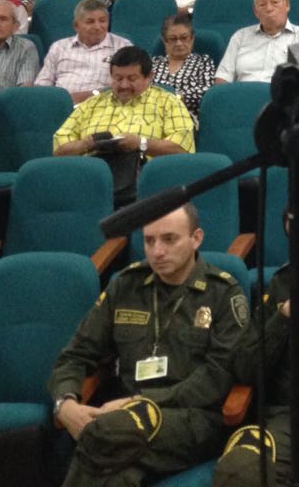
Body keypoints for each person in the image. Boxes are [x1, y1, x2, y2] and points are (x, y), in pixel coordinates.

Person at [48, 203, 246, 485]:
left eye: (169, 239)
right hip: (125, 422)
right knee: (119, 474)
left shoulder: (222, 293)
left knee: (106, 437)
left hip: (193, 420)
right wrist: (65, 405)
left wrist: (141, 402)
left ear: (196, 238)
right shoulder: (126, 285)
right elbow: (75, 355)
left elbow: (217, 379)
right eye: (149, 241)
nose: (157, 251)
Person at [213, 194, 299, 487]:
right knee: (238, 471)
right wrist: (287, 313)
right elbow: (245, 367)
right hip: (290, 421)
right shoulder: (282, 285)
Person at [52, 45, 194, 206]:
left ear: (149, 77)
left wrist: (140, 143)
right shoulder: (91, 104)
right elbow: (59, 151)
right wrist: (87, 143)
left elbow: (182, 149)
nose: (124, 85)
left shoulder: (168, 102)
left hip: (145, 186)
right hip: (89, 182)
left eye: (132, 79)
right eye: (118, 79)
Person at [35, 0, 133, 103]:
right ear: (76, 26)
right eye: (90, 22)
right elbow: (42, 85)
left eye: (102, 21)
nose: (97, 26)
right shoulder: (59, 47)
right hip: (62, 107)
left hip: (103, 106)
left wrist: (91, 95)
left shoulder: (123, 46)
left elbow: (128, 85)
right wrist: (58, 101)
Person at [215, 0, 299, 85]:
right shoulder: (240, 36)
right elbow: (223, 77)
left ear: (287, 4)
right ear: (256, 11)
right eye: (262, 5)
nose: (269, 9)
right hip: (243, 97)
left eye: (275, 2)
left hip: (282, 98)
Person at [150, 13, 215, 123]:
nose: (179, 43)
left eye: (184, 38)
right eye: (172, 39)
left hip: (186, 117)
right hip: (151, 116)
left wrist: (175, 98)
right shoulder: (153, 63)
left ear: (192, 38)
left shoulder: (203, 61)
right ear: (164, 41)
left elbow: (207, 92)